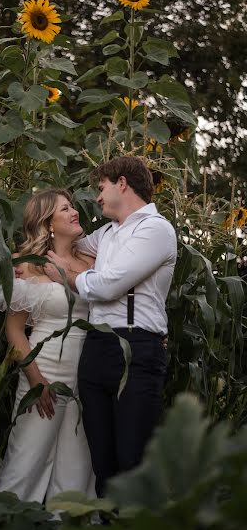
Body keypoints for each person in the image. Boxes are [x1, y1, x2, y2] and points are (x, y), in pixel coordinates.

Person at [43, 156, 177, 497]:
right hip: (96, 350)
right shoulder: (106, 233)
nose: (97, 198)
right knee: (102, 466)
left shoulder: (155, 230)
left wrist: (63, 273)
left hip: (137, 349)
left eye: (100, 188)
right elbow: (67, 245)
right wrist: (35, 251)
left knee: (131, 462)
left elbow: (106, 286)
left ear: (122, 183)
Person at [0, 189, 96, 503]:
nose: (74, 211)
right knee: (27, 458)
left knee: (77, 467)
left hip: (87, 375)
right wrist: (36, 380)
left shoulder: (91, 260)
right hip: (45, 368)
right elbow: (14, 331)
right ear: (47, 223)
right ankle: (8, 520)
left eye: (71, 206)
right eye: (65, 209)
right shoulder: (25, 265)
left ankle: (68, 523)